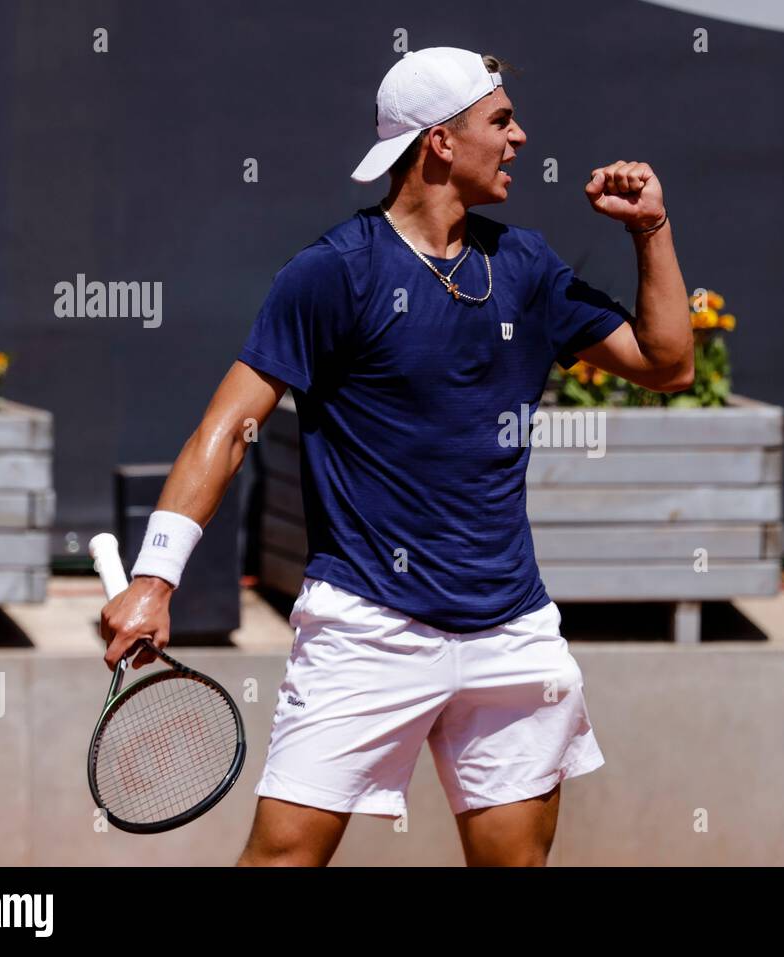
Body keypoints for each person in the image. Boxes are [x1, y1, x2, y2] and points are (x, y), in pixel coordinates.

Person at [97, 46, 692, 866]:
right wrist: (156, 577)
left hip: (511, 629)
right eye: (501, 121)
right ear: (441, 143)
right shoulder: (332, 274)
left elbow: (669, 365)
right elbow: (224, 430)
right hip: (364, 627)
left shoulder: (525, 267)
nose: (521, 139)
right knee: (282, 859)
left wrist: (650, 229)